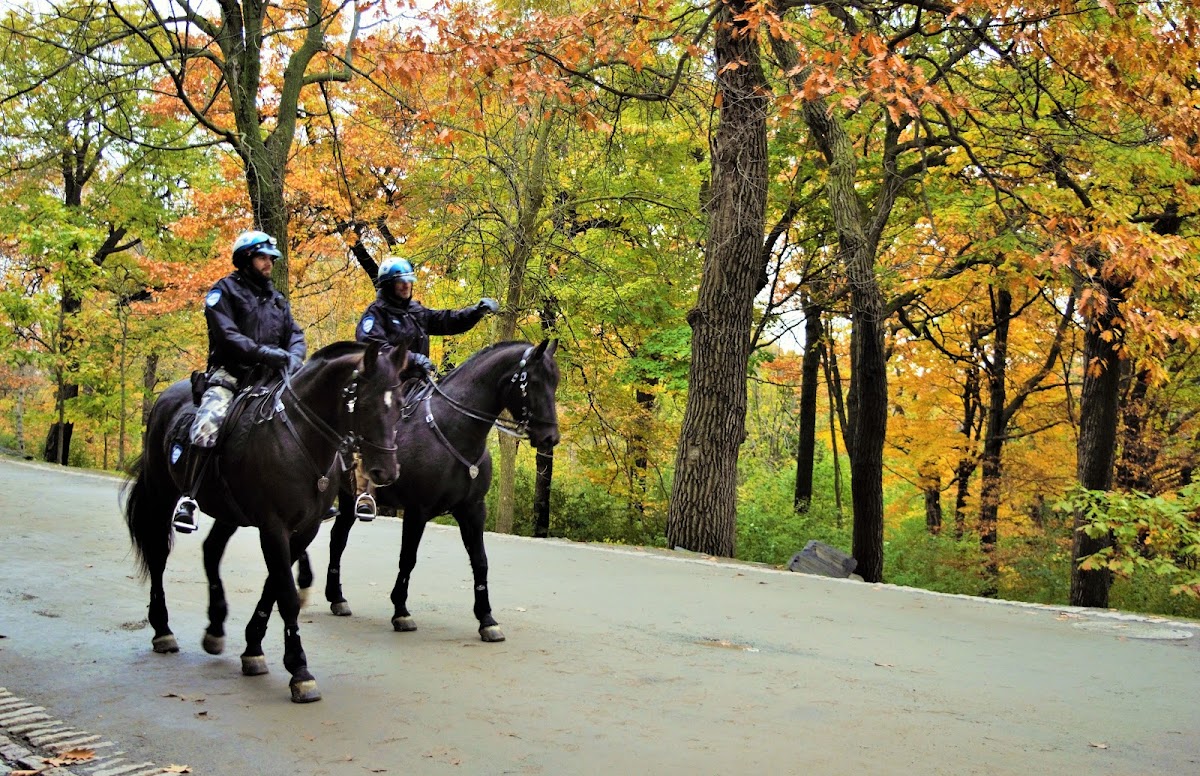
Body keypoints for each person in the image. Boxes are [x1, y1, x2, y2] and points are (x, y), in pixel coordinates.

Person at [171, 230, 307, 534]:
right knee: (208, 423)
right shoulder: (223, 292)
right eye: (263, 257)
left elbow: (295, 334)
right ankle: (189, 499)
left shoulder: (277, 300)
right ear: (246, 259)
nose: (269, 262)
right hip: (230, 375)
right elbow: (227, 335)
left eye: (271, 258)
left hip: (271, 379)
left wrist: (294, 357)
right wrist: (264, 353)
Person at [351, 254, 498, 519]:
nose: (406, 286)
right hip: (387, 385)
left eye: (409, 281)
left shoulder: (415, 311)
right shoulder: (375, 315)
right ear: (387, 285)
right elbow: (375, 349)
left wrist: (476, 312)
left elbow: (447, 320)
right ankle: (365, 491)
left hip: (419, 385)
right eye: (400, 282)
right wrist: (413, 359)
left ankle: (445, 484)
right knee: (378, 427)